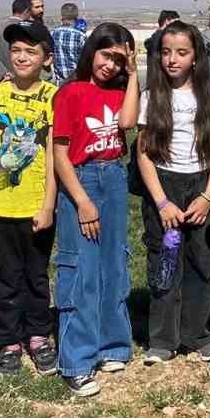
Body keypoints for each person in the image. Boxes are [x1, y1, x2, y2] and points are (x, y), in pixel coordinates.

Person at [51, 22, 140, 397]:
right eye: (106, 56)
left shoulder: (122, 91)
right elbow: (59, 154)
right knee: (81, 269)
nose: (110, 66)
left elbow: (128, 123)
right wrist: (83, 202)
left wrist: (134, 74)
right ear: (92, 51)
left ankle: (113, 345)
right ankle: (77, 359)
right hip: (81, 180)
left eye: (119, 61)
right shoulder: (70, 93)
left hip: (114, 176)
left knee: (113, 262)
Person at [137, 21, 210, 365]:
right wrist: (161, 201)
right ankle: (162, 339)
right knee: (164, 262)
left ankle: (196, 334)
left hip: (200, 184)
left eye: (182, 53)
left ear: (195, 57)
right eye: (166, 52)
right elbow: (143, 153)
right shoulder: (151, 97)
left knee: (200, 262)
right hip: (165, 184)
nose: (172, 59)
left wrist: (206, 197)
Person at [0, 20, 59, 376]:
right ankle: (9, 340)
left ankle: (39, 336)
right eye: (16, 51)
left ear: (47, 59)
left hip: (36, 203)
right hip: (1, 203)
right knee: (6, 276)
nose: (22, 57)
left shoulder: (54, 96)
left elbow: (55, 155)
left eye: (31, 51)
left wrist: (48, 204)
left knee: (37, 275)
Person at [0, 0, 34, 83]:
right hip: (22, 83)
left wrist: (4, 73)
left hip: (0, 81)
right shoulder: (28, 30)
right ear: (27, 11)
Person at [50, 2, 86, 86]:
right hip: (77, 83)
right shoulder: (81, 36)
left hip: (60, 85)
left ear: (62, 16)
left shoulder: (52, 34)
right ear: (76, 16)